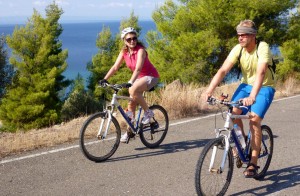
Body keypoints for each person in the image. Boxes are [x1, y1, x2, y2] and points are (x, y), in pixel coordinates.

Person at [204, 20, 275, 178]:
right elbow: (223, 70)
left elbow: (261, 72)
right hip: (245, 86)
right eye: (238, 35)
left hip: (264, 87)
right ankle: (242, 143)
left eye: (244, 35)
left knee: (254, 120)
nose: (240, 38)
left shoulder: (262, 47)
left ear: (253, 35)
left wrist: (252, 96)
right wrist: (209, 90)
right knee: (233, 111)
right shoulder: (238, 49)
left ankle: (253, 162)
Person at [99, 27, 160, 143]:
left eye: (134, 38)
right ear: (124, 41)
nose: (132, 41)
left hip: (151, 76)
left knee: (132, 89)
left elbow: (138, 69)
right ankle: (130, 131)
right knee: (130, 105)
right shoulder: (124, 52)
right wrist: (105, 79)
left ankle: (148, 113)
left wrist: (131, 82)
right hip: (139, 78)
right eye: (129, 39)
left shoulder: (140, 50)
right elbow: (115, 67)